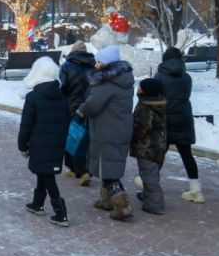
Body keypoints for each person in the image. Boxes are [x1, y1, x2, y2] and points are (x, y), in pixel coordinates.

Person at [77, 45, 135, 221]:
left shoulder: (107, 83)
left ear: (107, 64)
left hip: (106, 130)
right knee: (107, 165)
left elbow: (93, 104)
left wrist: (81, 110)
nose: (96, 65)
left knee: (108, 169)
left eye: (99, 62)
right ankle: (106, 199)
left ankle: (122, 204)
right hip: (119, 128)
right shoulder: (123, 79)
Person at [18, 57, 70, 227]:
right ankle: (37, 203)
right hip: (56, 144)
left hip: (38, 143)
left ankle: (60, 213)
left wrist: (22, 145)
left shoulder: (33, 97)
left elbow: (26, 124)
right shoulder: (62, 96)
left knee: (48, 176)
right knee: (44, 171)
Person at [154, 47, 204, 203]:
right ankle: (196, 190)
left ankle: (148, 180)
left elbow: (156, 98)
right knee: (187, 154)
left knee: (160, 152)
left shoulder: (159, 76)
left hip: (166, 119)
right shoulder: (186, 77)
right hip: (184, 119)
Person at [59, 41, 95, 185]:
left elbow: (63, 87)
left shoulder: (67, 66)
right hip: (88, 106)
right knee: (85, 138)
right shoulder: (93, 67)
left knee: (71, 137)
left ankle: (73, 169)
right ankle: (85, 169)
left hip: (71, 106)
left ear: (73, 51)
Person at [131, 78, 168, 215]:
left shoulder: (145, 107)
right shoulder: (159, 104)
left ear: (146, 91)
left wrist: (133, 135)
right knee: (151, 172)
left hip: (147, 147)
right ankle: (147, 196)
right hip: (159, 145)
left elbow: (142, 128)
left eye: (140, 87)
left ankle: (155, 204)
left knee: (149, 176)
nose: (137, 89)